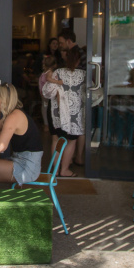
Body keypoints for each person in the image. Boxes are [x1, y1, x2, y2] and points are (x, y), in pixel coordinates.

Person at [42, 45, 85, 176]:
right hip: (74, 114)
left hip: (56, 112)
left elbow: (48, 92)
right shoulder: (84, 75)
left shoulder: (58, 72)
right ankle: (64, 170)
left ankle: (55, 170)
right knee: (71, 140)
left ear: (66, 58)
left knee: (56, 139)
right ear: (79, 60)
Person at [38, 55, 58, 130]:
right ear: (54, 65)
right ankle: (48, 124)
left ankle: (46, 124)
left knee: (44, 107)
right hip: (48, 94)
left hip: (43, 93)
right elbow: (49, 80)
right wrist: (58, 82)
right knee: (49, 108)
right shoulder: (50, 73)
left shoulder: (43, 73)